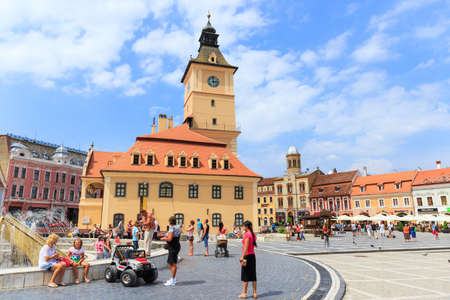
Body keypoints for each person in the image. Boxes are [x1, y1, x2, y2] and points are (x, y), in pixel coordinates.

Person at [238, 220, 258, 299]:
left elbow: (245, 247)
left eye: (243, 226)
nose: (243, 227)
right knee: (253, 274)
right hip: (252, 256)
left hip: (246, 256)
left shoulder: (247, 235)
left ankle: (244, 293)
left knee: (245, 274)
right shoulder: (253, 234)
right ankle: (255, 293)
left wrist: (242, 257)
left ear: (246, 226)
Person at [161, 216, 181, 286]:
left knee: (172, 263)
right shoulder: (178, 227)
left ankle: (173, 279)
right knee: (171, 262)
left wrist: (164, 238)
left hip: (173, 247)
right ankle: (173, 278)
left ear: (170, 221)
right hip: (176, 245)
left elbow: (169, 239)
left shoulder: (171, 228)